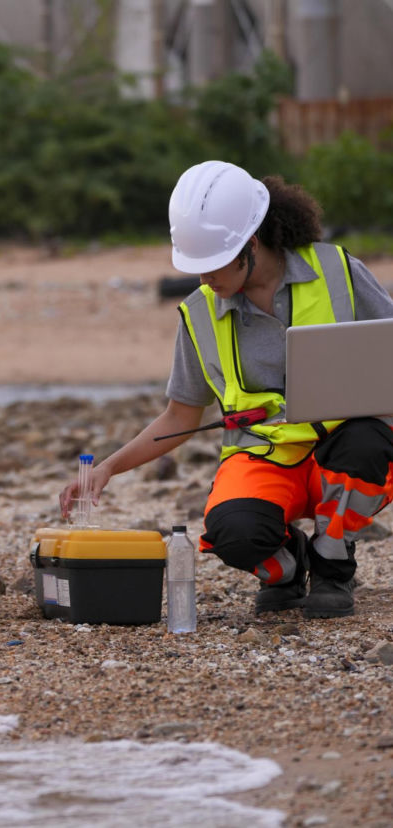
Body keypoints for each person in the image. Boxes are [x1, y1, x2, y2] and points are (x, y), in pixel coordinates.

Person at [59, 160, 393, 619]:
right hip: (263, 459)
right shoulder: (198, 313)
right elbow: (180, 417)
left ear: (250, 246)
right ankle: (288, 567)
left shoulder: (338, 272)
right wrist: (108, 468)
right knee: (233, 533)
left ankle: (332, 562)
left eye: (212, 266)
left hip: (341, 454)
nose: (204, 279)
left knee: (369, 443)